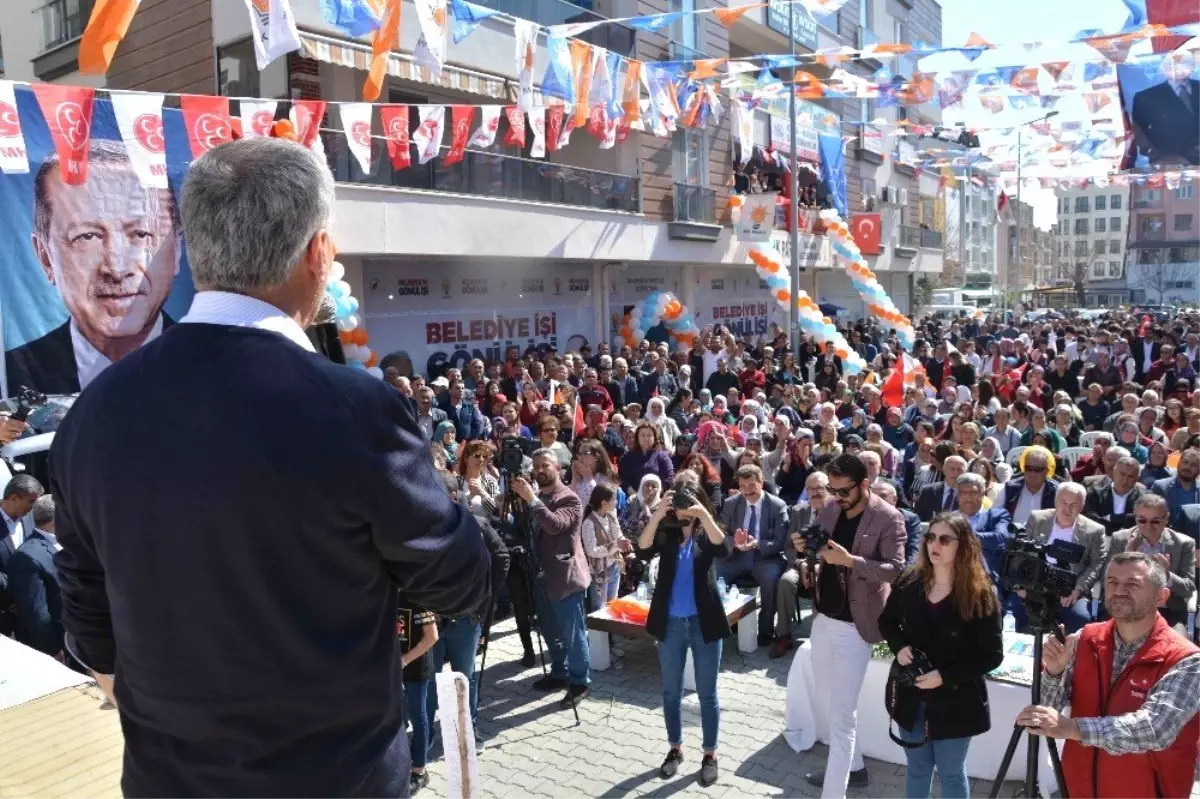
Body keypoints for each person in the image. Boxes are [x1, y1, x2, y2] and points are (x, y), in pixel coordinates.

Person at [50, 139, 491, 797]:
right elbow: (465, 580)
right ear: (319, 253)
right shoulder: (354, 410)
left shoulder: (94, 413)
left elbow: (92, 628)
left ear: (193, 249)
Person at [1017, 553, 1200, 798]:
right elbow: (1048, 707)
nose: (1119, 590)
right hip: (1079, 789)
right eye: (1112, 582)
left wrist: (1073, 728)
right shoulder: (1085, 638)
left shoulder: (1187, 658)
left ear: (1162, 596)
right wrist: (1054, 672)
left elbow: (1156, 728)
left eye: (1132, 584)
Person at [6, 141, 182, 395]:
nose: (117, 268)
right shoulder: (9, 376)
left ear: (177, 249)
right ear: (45, 257)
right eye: (87, 237)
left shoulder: (218, 370)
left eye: (141, 234)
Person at [879, 512, 1004, 799]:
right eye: (930, 537)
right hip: (912, 693)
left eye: (945, 539)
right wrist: (899, 647)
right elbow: (886, 621)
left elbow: (991, 656)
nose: (935, 544)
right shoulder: (910, 580)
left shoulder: (980, 593)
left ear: (963, 546)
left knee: (950, 772)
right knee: (917, 768)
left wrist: (944, 676)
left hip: (956, 700)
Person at [801, 454, 906, 796]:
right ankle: (855, 767)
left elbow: (895, 569)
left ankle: (835, 792)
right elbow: (816, 545)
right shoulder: (831, 507)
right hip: (824, 617)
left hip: (856, 626)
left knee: (843, 716)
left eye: (844, 491)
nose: (837, 497)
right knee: (826, 700)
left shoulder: (889, 517)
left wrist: (851, 561)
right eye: (833, 489)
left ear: (864, 484)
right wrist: (804, 546)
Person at [637, 470, 731, 786]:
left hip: (704, 623)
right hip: (672, 624)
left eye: (687, 500)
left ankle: (710, 754)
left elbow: (724, 548)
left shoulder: (707, 531)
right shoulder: (666, 532)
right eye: (678, 500)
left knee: (707, 694)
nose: (682, 506)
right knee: (670, 692)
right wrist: (659, 513)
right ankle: (675, 749)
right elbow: (642, 547)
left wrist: (703, 514)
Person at [512, 449, 592, 709]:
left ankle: (580, 682)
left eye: (544, 464)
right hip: (540, 576)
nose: (539, 469)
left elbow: (556, 525)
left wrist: (532, 499)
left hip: (566, 577)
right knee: (549, 630)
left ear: (558, 468)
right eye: (535, 466)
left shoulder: (569, 499)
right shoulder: (535, 498)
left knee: (573, 633)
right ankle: (559, 672)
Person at [1013, 483, 1108, 634]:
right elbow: (1020, 552)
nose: (1067, 509)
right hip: (1035, 584)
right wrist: (1022, 583)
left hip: (1069, 588)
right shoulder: (1037, 518)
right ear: (1056, 501)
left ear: (1082, 506)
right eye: (1063, 502)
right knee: (1019, 609)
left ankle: (1068, 654)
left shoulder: (1095, 531)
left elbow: (1097, 564)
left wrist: (1078, 589)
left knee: (1081, 617)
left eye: (1073, 505)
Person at [717, 465, 790, 646]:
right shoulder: (731, 503)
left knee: (771, 580)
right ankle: (721, 625)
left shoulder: (777, 506)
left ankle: (765, 631)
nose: (747, 491)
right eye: (743, 486)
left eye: (751, 486)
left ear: (761, 482)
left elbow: (781, 542)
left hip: (764, 557)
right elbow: (721, 532)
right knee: (712, 575)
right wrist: (734, 542)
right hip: (736, 556)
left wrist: (757, 544)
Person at [1109, 495, 1196, 630]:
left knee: (1180, 648)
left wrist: (1166, 575)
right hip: (1127, 608)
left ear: (1166, 518)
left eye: (1155, 521)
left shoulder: (1184, 544)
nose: (1148, 526)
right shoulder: (1120, 539)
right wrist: (1126, 560)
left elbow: (1188, 588)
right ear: (1135, 518)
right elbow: (1108, 583)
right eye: (1142, 520)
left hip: (1168, 611)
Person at [772, 471, 830, 658]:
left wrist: (821, 565)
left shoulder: (836, 512)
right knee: (786, 581)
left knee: (826, 586)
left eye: (820, 488)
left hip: (829, 565)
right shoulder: (798, 511)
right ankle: (783, 635)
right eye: (811, 489)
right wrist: (800, 563)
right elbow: (788, 546)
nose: (815, 492)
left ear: (828, 488)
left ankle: (822, 638)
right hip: (801, 563)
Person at [8, 494, 62, 657]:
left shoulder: (71, 543)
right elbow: (37, 613)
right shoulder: (27, 556)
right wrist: (53, 650)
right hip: (55, 648)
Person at [397, 598, 439, 794]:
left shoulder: (419, 595)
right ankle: (399, 761)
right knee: (397, 716)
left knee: (418, 715)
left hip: (416, 667)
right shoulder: (385, 591)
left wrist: (404, 660)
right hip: (393, 667)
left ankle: (420, 770)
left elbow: (432, 637)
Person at [954, 473, 1011, 585]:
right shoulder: (947, 519)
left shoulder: (996, 515)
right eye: (963, 493)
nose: (968, 497)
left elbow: (1001, 538)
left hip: (988, 580)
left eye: (973, 492)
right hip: (954, 579)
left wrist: (963, 537)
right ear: (957, 496)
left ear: (983, 494)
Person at [581, 482, 628, 612]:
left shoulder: (611, 517)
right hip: (599, 572)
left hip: (614, 567)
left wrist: (623, 541)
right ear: (604, 503)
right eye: (614, 499)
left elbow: (618, 534)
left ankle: (612, 632)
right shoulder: (588, 522)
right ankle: (600, 633)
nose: (616, 502)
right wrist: (615, 545)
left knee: (613, 605)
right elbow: (591, 550)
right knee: (599, 609)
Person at [1084, 455, 1146, 535]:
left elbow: (1140, 520)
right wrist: (1126, 518)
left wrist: (1110, 518)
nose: (1125, 480)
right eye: (1122, 474)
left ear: (1138, 478)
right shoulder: (1096, 493)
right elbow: (1092, 519)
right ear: (1114, 472)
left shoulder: (1144, 497)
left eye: (1131, 476)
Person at [1002, 446, 1059, 525]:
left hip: (1044, 536)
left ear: (1046, 471)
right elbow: (994, 516)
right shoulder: (1009, 489)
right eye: (1028, 468)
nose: (1032, 473)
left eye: (1038, 469)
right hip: (1011, 535)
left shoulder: (1056, 493)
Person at [618, 421, 675, 497]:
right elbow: (623, 478)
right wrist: (634, 495)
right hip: (633, 498)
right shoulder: (628, 457)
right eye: (643, 435)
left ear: (655, 437)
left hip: (657, 499)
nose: (646, 438)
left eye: (649, 435)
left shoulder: (662, 456)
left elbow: (669, 477)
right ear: (637, 437)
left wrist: (656, 494)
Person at [915, 455, 967, 521]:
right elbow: (920, 517)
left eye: (959, 470)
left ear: (965, 472)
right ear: (944, 470)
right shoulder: (928, 491)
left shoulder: (967, 494)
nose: (955, 473)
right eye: (952, 469)